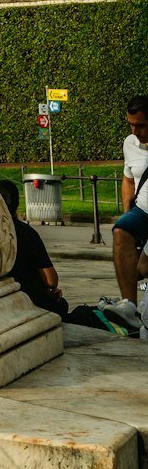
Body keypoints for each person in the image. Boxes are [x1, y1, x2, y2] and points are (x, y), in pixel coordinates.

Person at [0, 180, 68, 318]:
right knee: (61, 305)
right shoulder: (27, 233)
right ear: (17, 204)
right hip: (28, 297)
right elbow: (51, 280)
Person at [108, 95, 148, 332]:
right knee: (121, 230)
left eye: (141, 125)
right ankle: (129, 307)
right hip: (143, 211)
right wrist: (126, 212)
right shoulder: (129, 143)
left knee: (142, 268)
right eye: (130, 125)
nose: (135, 131)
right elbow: (128, 179)